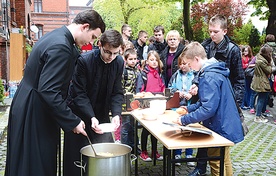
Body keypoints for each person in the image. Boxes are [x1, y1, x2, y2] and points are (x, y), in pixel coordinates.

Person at [4, 10, 105, 176]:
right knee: (36, 165)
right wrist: (72, 121)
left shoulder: (57, 36)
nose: (91, 42)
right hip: (34, 110)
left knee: (26, 162)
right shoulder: (61, 46)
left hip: (28, 102)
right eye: (93, 37)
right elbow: (49, 91)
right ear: (85, 27)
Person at [174, 41, 244, 176]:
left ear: (196, 59)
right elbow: (208, 102)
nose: (189, 67)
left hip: (220, 126)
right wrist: (190, 109)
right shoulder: (214, 70)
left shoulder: (208, 76)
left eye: (189, 63)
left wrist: (184, 120)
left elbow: (208, 109)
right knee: (225, 160)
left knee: (216, 162)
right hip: (226, 123)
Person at [189, 14, 245, 176]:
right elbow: (200, 70)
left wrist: (235, 106)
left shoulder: (233, 50)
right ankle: (200, 168)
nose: (212, 35)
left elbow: (239, 80)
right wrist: (195, 83)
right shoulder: (206, 45)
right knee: (205, 138)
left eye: (215, 31)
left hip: (223, 104)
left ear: (225, 31)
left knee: (219, 151)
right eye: (210, 31)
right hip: (206, 99)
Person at [63, 29, 124, 176]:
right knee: (77, 160)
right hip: (79, 114)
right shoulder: (85, 60)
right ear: (100, 44)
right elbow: (79, 94)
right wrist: (90, 116)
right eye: (108, 52)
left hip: (102, 114)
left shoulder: (119, 62)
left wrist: (116, 114)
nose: (111, 57)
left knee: (104, 154)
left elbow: (117, 91)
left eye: (116, 53)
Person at [168, 54, 197, 167]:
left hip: (191, 107)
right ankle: (177, 153)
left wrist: (191, 95)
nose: (182, 66)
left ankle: (189, 154)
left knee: (190, 130)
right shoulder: (176, 75)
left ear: (190, 64)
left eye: (184, 64)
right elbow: (170, 87)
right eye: (180, 64)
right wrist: (177, 92)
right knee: (178, 131)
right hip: (178, 107)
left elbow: (198, 90)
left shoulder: (195, 75)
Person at [136, 50, 165, 161]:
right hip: (146, 104)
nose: (154, 62)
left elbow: (163, 87)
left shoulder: (159, 73)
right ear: (147, 61)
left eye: (155, 60)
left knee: (155, 129)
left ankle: (154, 151)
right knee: (146, 130)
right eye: (151, 60)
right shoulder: (143, 74)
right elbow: (139, 89)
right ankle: (143, 151)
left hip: (157, 103)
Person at [121, 48, 140, 153]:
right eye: (131, 59)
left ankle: (134, 147)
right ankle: (125, 149)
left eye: (135, 59)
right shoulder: (124, 72)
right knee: (125, 126)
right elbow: (120, 86)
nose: (133, 61)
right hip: (125, 102)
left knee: (133, 126)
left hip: (134, 102)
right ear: (126, 59)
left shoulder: (137, 71)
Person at [251, 44, 276, 123]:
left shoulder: (260, 58)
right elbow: (269, 70)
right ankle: (257, 117)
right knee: (261, 99)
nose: (271, 54)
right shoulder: (262, 61)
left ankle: (259, 114)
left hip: (260, 80)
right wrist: (273, 64)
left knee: (261, 98)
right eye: (270, 52)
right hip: (261, 82)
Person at [241, 45, 255, 110]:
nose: (244, 52)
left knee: (250, 89)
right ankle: (243, 104)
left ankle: (249, 103)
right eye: (244, 51)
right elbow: (242, 66)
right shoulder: (242, 58)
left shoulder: (252, 57)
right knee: (245, 89)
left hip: (251, 75)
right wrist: (248, 65)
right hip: (245, 75)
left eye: (246, 51)